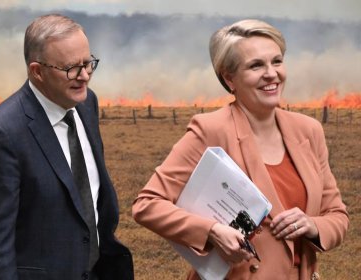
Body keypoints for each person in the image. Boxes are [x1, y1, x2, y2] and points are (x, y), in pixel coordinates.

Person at [132, 19, 349, 280]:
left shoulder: (309, 131)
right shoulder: (210, 129)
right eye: (256, 65)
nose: (271, 73)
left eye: (277, 61)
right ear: (229, 78)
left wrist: (313, 225)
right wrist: (211, 230)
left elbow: (337, 216)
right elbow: (147, 205)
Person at [0, 14, 133, 280]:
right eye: (72, 68)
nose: (84, 76)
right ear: (37, 71)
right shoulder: (2, 134)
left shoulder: (86, 104)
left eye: (88, 63)